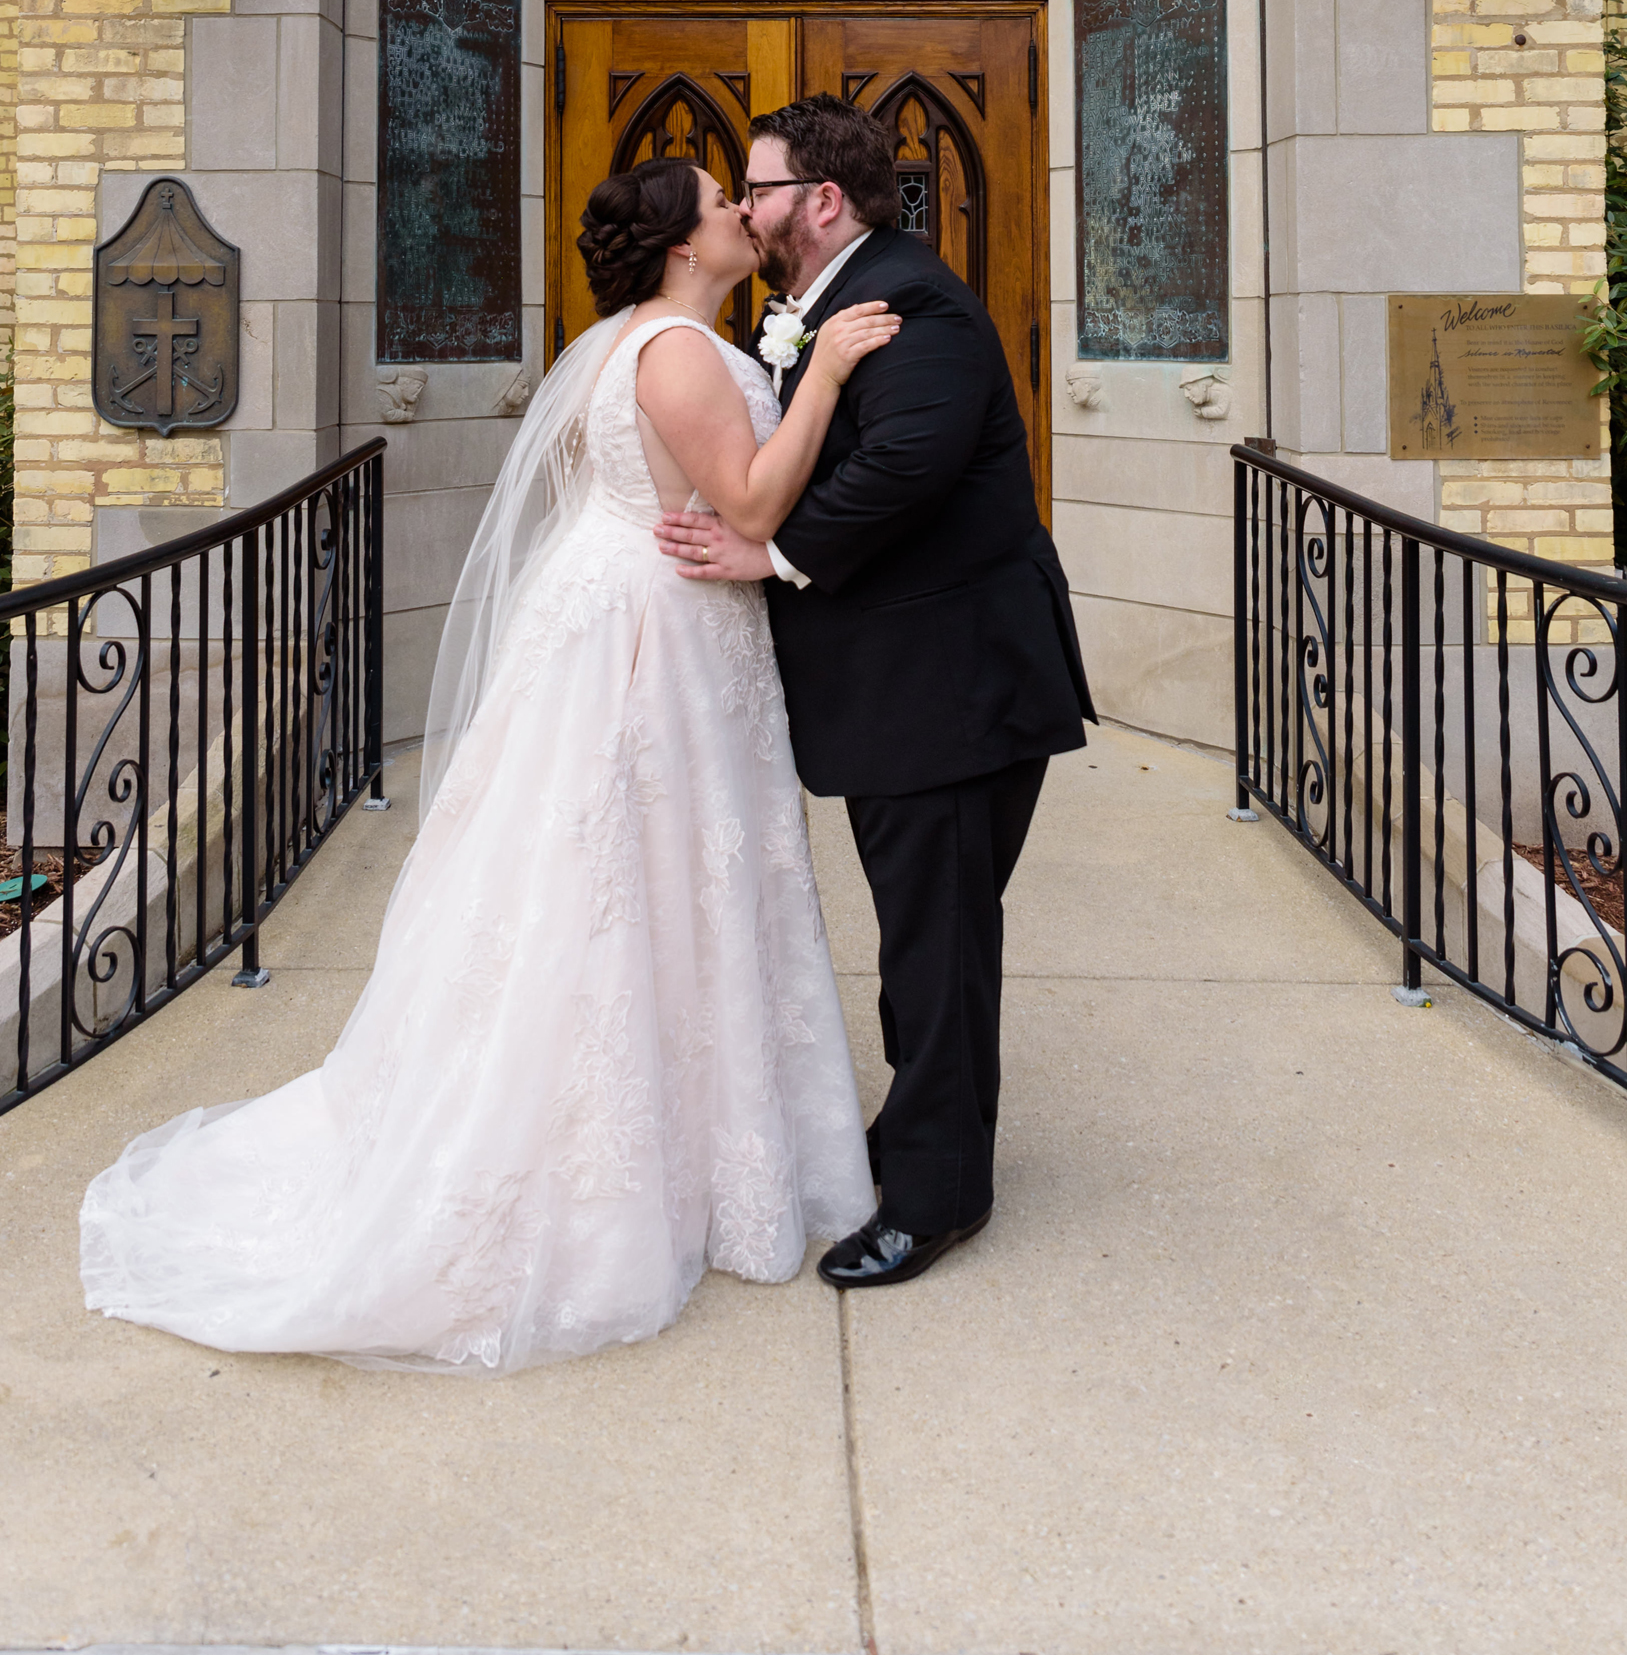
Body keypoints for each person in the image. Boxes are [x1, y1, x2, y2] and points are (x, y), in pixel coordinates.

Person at [79, 157, 896, 1373]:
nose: (739, 210)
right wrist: (826, 373)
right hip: (654, 631)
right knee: (642, 874)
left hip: (623, 606)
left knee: (614, 873)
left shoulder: (624, 342)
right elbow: (752, 502)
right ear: (681, 243)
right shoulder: (674, 352)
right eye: (720, 200)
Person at [656, 94, 1093, 1290]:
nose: (744, 206)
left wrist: (774, 553)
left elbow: (908, 461)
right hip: (910, 689)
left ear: (822, 200)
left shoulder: (912, 299)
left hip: (949, 690)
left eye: (759, 187)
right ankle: (919, 1137)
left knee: (937, 950)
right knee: (925, 938)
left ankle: (935, 1196)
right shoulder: (831, 299)